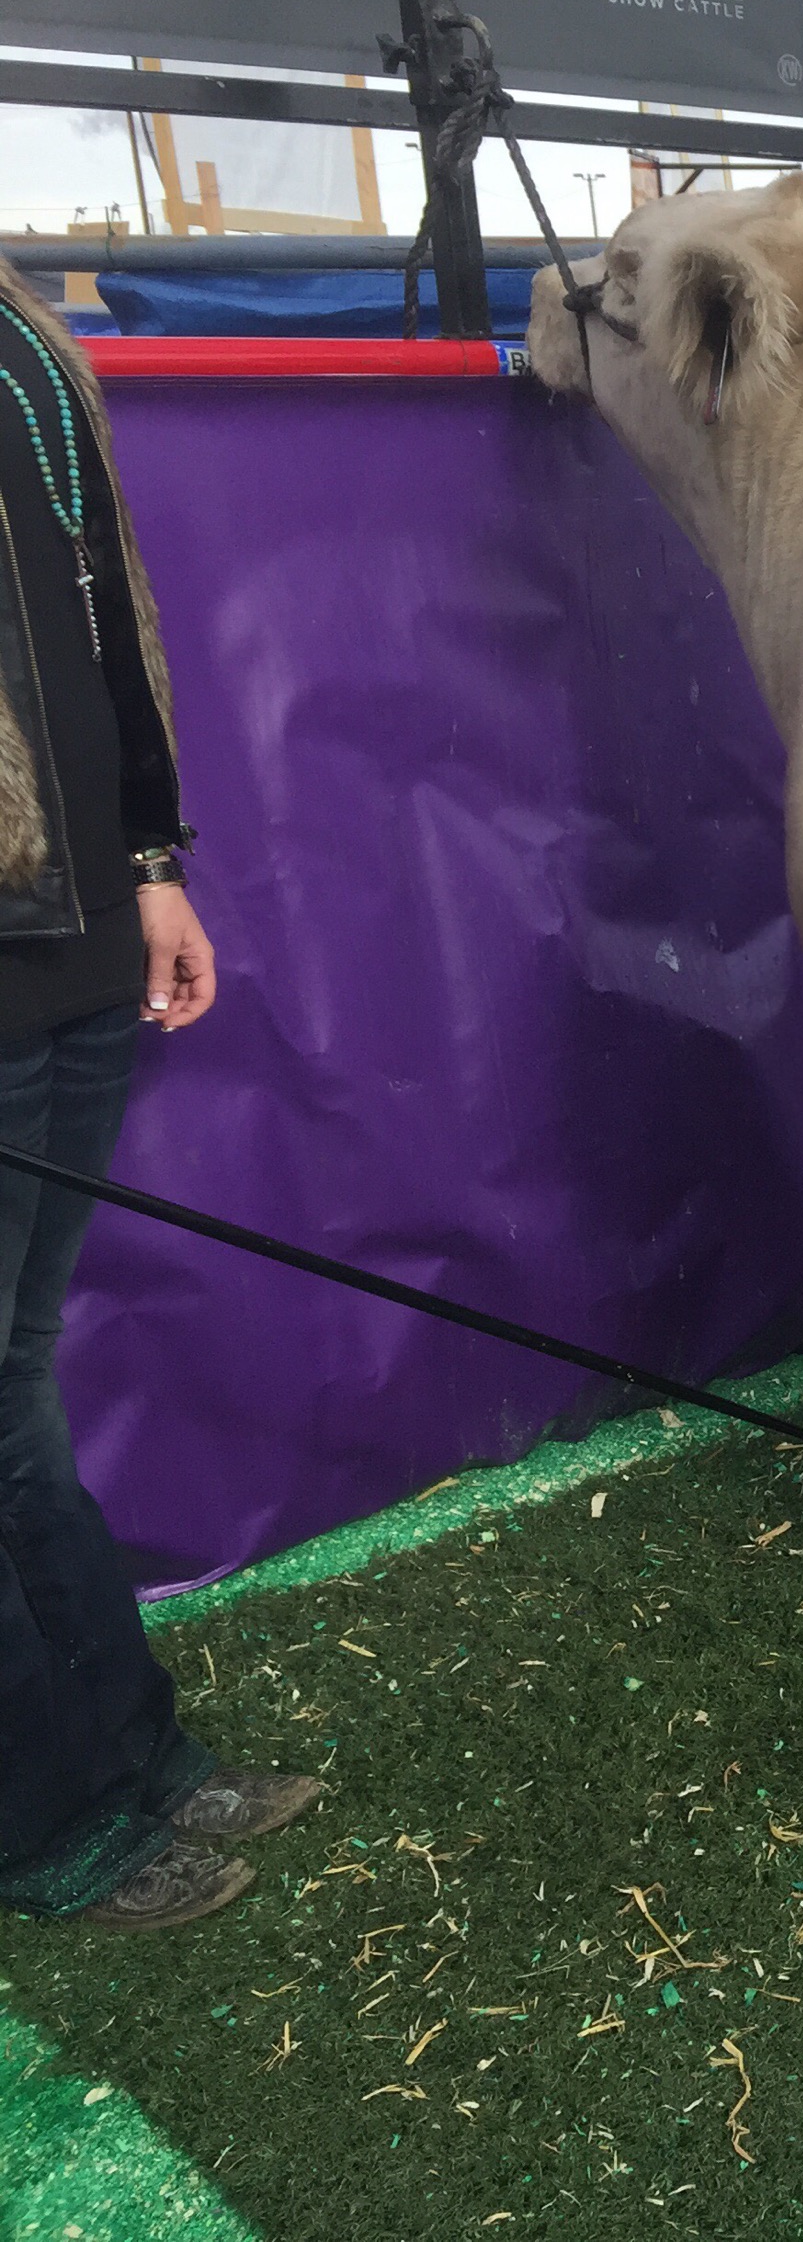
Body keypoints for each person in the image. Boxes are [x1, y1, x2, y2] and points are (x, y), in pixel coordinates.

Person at [0, 256, 318, 1930]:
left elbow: (96, 623)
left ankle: (129, 1748)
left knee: (15, 1385)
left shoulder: (24, 337)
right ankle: (44, 1813)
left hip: (71, 949)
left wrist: (149, 866)